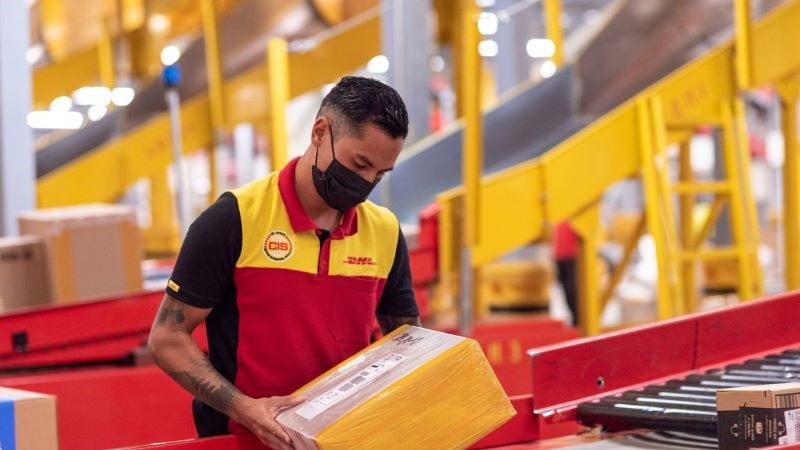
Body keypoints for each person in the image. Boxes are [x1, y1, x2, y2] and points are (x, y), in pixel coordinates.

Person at [148, 76, 420, 450]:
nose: (366, 183)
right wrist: (244, 409)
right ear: (320, 133)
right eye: (359, 164)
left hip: (343, 442)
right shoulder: (235, 220)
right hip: (239, 441)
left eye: (379, 174)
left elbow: (406, 344)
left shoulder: (385, 232)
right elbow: (166, 337)